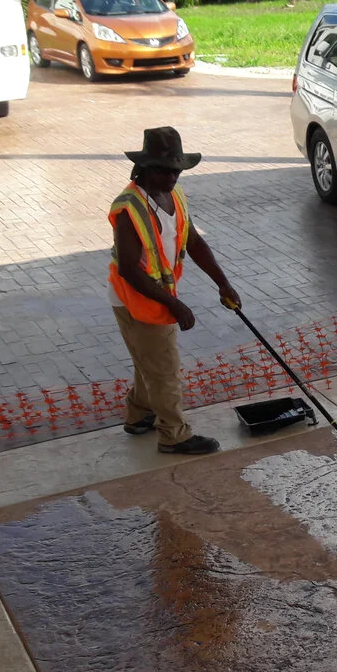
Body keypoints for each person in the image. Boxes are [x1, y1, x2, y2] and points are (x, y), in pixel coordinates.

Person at [108, 126, 240, 455]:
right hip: (136, 298)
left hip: (156, 294)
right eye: (165, 171)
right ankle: (174, 434)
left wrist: (223, 282)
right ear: (145, 168)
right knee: (164, 368)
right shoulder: (129, 208)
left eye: (177, 170)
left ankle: (139, 415)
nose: (172, 178)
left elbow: (193, 241)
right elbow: (128, 269)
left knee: (149, 361)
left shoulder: (175, 195)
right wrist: (175, 305)